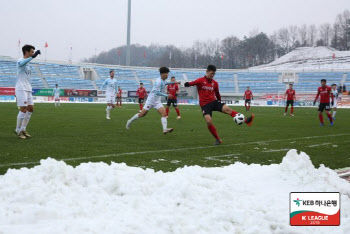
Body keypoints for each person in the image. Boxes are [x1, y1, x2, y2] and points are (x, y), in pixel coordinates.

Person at [184, 65, 254, 145]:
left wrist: (220, 103)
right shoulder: (200, 80)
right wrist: (187, 84)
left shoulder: (215, 83)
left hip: (214, 102)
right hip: (205, 105)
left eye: (214, 74)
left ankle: (246, 121)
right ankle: (218, 139)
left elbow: (217, 93)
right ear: (207, 72)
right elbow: (192, 83)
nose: (212, 75)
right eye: (211, 73)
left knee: (227, 109)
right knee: (209, 121)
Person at [126, 67, 180, 134]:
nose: (168, 75)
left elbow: (166, 83)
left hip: (157, 101)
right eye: (167, 73)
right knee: (142, 114)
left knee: (164, 114)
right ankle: (129, 121)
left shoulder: (163, 80)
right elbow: (157, 92)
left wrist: (175, 82)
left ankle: (165, 129)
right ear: (163, 74)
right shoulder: (158, 82)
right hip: (151, 101)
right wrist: (167, 95)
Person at [15, 44, 41, 139]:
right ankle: (18, 130)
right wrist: (33, 57)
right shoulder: (20, 61)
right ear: (26, 52)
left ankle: (23, 129)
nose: (33, 53)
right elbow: (22, 64)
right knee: (23, 110)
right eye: (32, 52)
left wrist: (32, 57)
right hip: (21, 88)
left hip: (28, 88)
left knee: (30, 109)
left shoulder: (28, 64)